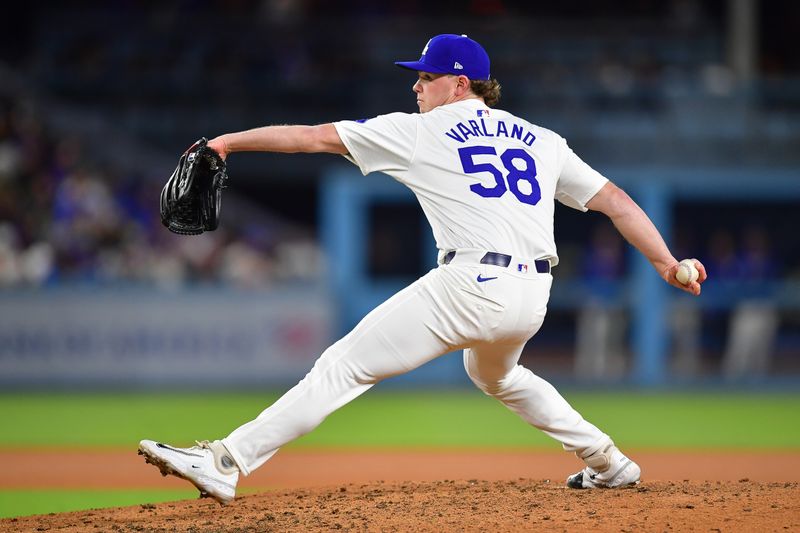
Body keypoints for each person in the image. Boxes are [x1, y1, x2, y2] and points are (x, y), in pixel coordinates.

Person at [139, 34, 707, 504]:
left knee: (343, 366)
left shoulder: (421, 132)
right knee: (496, 375)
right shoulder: (543, 140)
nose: (415, 87)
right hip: (532, 295)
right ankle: (607, 460)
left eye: (426, 77)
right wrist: (668, 263)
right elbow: (618, 202)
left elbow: (313, 137)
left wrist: (227, 143)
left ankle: (225, 460)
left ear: (460, 85)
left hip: (471, 284)